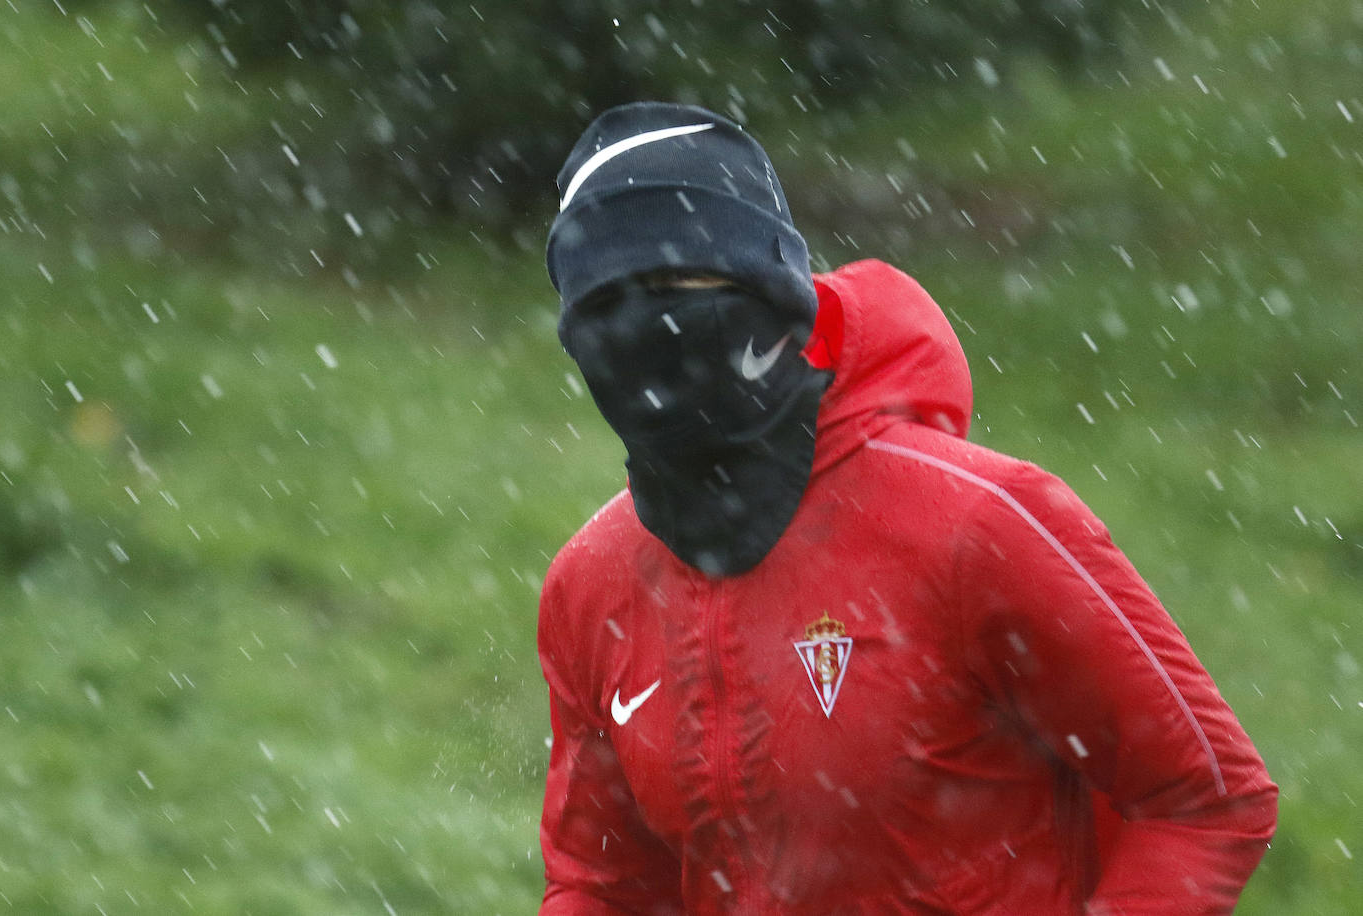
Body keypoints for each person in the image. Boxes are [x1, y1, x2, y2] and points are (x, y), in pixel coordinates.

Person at [536, 101, 1277, 914]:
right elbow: (603, 888)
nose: (642, 329)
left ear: (771, 294)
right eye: (602, 306)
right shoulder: (591, 587)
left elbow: (1208, 799)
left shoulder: (980, 523)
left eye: (674, 283)